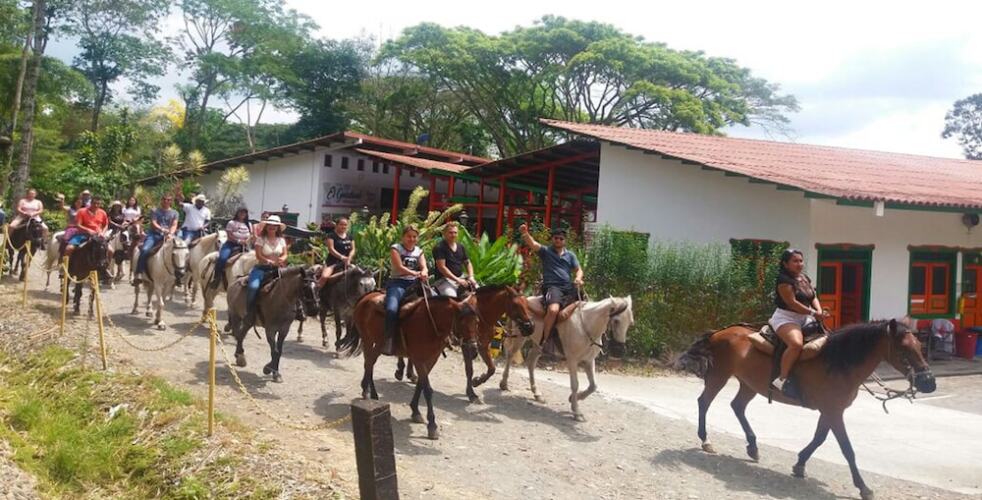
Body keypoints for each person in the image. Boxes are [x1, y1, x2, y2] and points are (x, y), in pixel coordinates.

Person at [769, 248, 828, 398]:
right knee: (796, 344)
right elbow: (792, 303)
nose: (799, 264)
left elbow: (813, 297)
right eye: (795, 261)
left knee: (828, 338)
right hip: (786, 318)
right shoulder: (783, 280)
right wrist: (814, 314)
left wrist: (819, 311)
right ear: (785, 264)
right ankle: (781, 379)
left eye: (801, 261)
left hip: (805, 317)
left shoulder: (804, 278)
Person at [518, 225, 583, 347]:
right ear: (552, 239)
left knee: (586, 306)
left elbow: (578, 270)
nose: (558, 240)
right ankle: (546, 342)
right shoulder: (546, 252)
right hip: (553, 287)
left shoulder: (570, 255)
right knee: (553, 310)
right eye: (556, 238)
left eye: (561, 238)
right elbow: (533, 244)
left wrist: (578, 278)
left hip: (569, 287)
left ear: (565, 241)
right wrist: (525, 233)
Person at [382, 225, 428, 355]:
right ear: (403, 237)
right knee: (391, 309)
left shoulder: (419, 251)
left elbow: (424, 266)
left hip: (416, 284)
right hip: (398, 283)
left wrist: (424, 272)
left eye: (414, 237)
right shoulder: (396, 248)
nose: (412, 239)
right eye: (409, 236)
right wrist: (416, 273)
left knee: (436, 303)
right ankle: (389, 339)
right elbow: (399, 267)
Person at [244, 214, 288, 330]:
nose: (272, 227)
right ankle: (249, 312)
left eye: (275, 226)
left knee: (292, 285)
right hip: (262, 268)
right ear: (266, 226)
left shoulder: (282, 240)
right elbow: (258, 255)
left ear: (278, 228)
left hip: (278, 268)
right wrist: (269, 261)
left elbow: (285, 254)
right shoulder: (261, 239)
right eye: (270, 225)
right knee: (253, 287)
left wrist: (282, 259)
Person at [133, 195, 179, 284]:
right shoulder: (155, 211)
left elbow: (174, 224)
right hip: (154, 235)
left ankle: (178, 276)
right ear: (161, 200)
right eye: (164, 199)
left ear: (171, 201)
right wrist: (162, 229)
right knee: (145, 250)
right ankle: (139, 272)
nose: (166, 201)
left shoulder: (175, 213)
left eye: (168, 200)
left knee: (180, 251)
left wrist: (170, 233)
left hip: (168, 236)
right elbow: (154, 223)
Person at [211, 207, 252, 288]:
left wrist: (247, 241)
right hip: (230, 244)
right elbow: (229, 235)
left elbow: (251, 235)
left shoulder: (249, 224)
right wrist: (238, 241)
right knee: (222, 258)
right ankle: (216, 278)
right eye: (241, 212)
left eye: (244, 213)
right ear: (237, 213)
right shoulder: (231, 223)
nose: (242, 214)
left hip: (245, 245)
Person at [433, 222, 477, 298]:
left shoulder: (461, 246)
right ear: (444, 233)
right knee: (452, 298)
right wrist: (457, 280)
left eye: (455, 233)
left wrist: (471, 276)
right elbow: (442, 267)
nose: (453, 235)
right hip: (444, 280)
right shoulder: (439, 247)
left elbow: (467, 263)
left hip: (461, 277)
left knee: (479, 292)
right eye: (450, 233)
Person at [317, 217, 355, 288]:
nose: (343, 226)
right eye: (341, 224)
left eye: (345, 225)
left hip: (347, 262)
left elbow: (353, 249)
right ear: (337, 225)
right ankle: (316, 291)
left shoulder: (350, 236)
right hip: (333, 263)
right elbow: (331, 249)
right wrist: (342, 257)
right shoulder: (331, 236)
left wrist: (349, 258)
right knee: (324, 277)